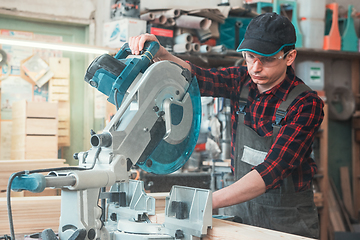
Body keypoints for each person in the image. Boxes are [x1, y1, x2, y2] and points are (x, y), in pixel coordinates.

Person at [129, 12, 324, 238]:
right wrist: (163, 54)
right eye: (250, 56)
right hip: (239, 214)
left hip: (287, 221)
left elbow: (273, 170)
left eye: (267, 59)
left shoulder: (306, 104)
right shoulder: (242, 80)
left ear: (289, 57)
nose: (255, 68)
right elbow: (198, 77)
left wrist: (206, 202)